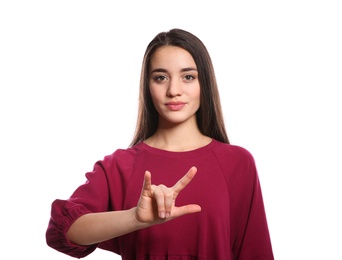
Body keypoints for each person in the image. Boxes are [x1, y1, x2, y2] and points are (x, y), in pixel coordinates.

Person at [46, 28, 274, 259]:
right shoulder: (119, 166)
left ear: (204, 83)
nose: (174, 91)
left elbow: (256, 252)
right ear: (148, 86)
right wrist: (134, 217)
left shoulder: (236, 163)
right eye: (161, 78)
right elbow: (63, 231)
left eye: (188, 77)